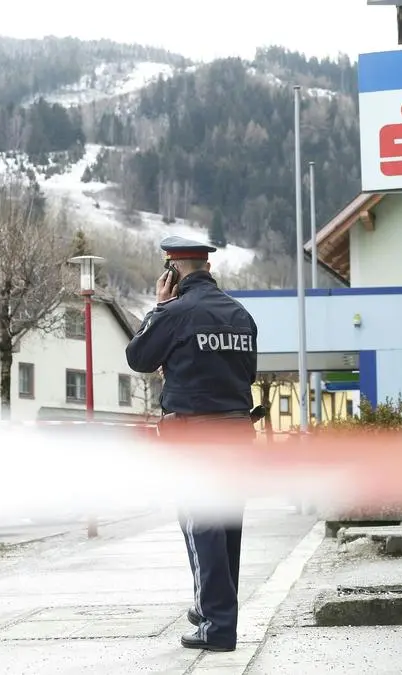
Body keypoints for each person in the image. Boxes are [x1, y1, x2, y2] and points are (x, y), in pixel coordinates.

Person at [125, 234, 260, 653]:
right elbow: (247, 373)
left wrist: (160, 308)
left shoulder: (177, 312)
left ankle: (216, 625)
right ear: (208, 268)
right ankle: (212, 610)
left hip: (195, 437)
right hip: (238, 434)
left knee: (201, 527)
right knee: (225, 527)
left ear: (173, 270)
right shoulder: (241, 315)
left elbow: (139, 357)